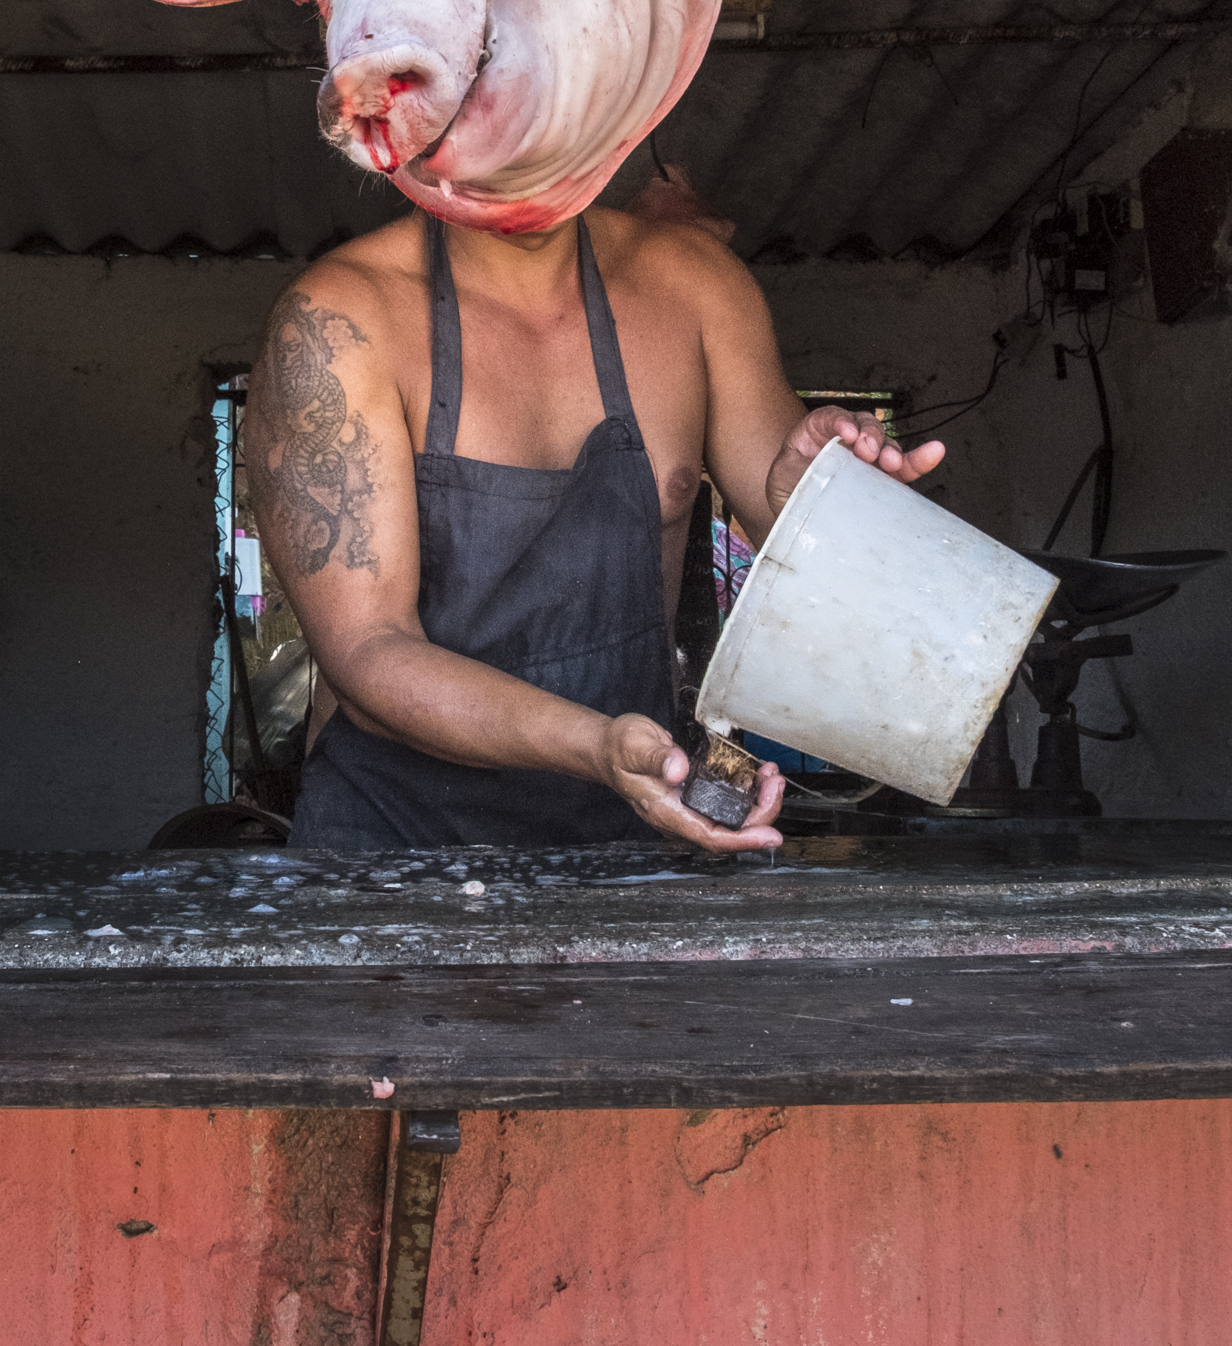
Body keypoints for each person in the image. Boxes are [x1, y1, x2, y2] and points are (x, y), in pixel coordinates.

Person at [242, 191, 943, 853]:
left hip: (632, 844)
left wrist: (824, 504)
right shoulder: (338, 321)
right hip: (392, 855)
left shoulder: (694, 288)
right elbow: (368, 650)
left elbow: (831, 579)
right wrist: (599, 748)